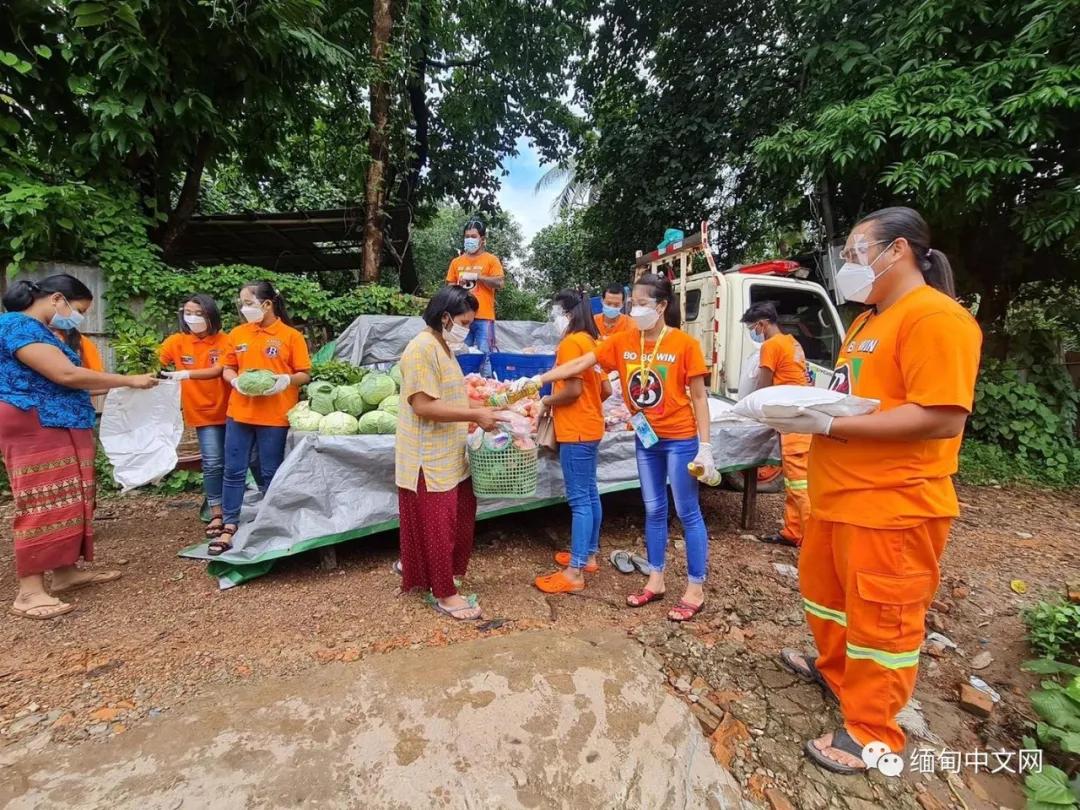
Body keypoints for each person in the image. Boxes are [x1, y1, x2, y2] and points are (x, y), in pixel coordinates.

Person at [764, 207, 981, 774]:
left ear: (899, 250)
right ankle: (836, 673)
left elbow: (940, 417)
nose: (849, 266)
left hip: (894, 504)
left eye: (857, 253)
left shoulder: (935, 318)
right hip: (840, 497)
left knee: (884, 621)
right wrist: (806, 408)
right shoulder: (867, 321)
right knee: (828, 598)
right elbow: (856, 393)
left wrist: (830, 425)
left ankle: (872, 732)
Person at [522, 273, 715, 621]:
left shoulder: (684, 345)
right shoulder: (624, 341)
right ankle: (655, 580)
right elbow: (584, 364)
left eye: (643, 303)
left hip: (680, 438)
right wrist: (539, 380)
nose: (634, 309)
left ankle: (695, 587)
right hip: (646, 439)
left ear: (661, 306)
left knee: (687, 512)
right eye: (632, 303)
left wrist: (705, 445)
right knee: (653, 510)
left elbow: (699, 397)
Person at [0, 277, 158, 619]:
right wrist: (129, 380)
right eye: (79, 310)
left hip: (58, 421)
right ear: (57, 299)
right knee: (44, 498)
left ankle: (65, 572)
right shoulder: (16, 325)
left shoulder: (41, 331)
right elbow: (66, 375)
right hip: (34, 421)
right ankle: (29, 592)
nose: (77, 317)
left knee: (72, 496)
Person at [396, 286, 499, 620]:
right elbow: (423, 404)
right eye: (464, 322)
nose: (467, 329)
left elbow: (450, 396)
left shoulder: (443, 346)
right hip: (428, 455)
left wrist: (492, 406)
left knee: (461, 516)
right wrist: (474, 415)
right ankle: (444, 593)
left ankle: (441, 574)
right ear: (445, 318)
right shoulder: (421, 349)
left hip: (451, 453)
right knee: (439, 525)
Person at [213, 282, 311, 556]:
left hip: (275, 415)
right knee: (233, 469)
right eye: (242, 304)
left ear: (266, 304)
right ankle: (229, 524)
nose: (243, 308)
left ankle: (273, 523)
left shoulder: (291, 336)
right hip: (240, 412)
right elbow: (228, 367)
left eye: (248, 303)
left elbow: (304, 373)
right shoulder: (238, 333)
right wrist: (235, 383)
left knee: (271, 472)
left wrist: (284, 380)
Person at [534, 290, 607, 594]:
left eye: (555, 312)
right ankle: (588, 555)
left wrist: (547, 400)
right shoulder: (592, 342)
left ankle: (575, 571)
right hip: (591, 426)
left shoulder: (570, 343)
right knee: (590, 493)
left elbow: (573, 390)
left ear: (567, 313)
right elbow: (605, 391)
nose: (553, 319)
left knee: (579, 500)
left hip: (575, 430)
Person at [159, 295, 233, 539]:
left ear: (211, 315)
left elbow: (217, 371)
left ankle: (236, 510)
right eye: (188, 312)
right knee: (213, 463)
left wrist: (184, 374)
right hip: (202, 412)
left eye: (199, 313)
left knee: (237, 463)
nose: (192, 318)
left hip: (233, 410)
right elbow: (154, 362)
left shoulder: (226, 341)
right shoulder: (176, 342)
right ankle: (217, 512)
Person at [740, 301, 813, 548]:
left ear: (761, 324)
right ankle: (793, 532)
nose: (754, 332)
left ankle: (813, 540)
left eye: (753, 327)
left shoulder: (771, 346)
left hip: (791, 418)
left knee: (800, 483)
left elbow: (764, 386)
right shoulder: (792, 341)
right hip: (798, 413)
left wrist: (750, 409)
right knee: (794, 483)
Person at [445, 219, 504, 357]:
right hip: (460, 317)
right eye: (467, 237)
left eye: (473, 237)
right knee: (460, 354)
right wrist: (458, 286)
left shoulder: (491, 260)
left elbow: (500, 283)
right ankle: (464, 379)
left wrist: (479, 277)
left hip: (484, 317)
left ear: (482, 239)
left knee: (486, 356)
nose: (469, 240)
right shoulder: (456, 262)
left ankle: (485, 379)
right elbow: (449, 286)